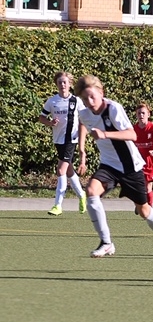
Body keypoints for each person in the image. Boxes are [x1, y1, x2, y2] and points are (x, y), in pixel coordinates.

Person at [75, 75, 153, 265]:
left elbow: (132, 134)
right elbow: (83, 122)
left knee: (144, 210)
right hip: (108, 165)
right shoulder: (85, 112)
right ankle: (106, 242)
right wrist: (82, 150)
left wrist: (105, 134)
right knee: (90, 191)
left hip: (131, 167)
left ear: (101, 93)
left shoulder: (113, 109)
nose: (89, 102)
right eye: (85, 98)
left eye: (92, 97)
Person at [39, 71, 87, 216]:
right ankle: (82, 195)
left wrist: (82, 145)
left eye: (65, 82)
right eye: (60, 82)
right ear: (56, 84)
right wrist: (50, 122)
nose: (62, 85)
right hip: (58, 140)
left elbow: (84, 120)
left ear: (70, 84)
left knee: (61, 170)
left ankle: (58, 205)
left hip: (71, 140)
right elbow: (41, 117)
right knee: (69, 170)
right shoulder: (52, 101)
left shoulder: (76, 101)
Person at [133, 102, 153, 208]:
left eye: (143, 113)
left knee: (148, 187)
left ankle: (149, 209)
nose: (141, 115)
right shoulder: (134, 129)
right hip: (138, 163)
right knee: (138, 186)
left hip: (150, 163)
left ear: (148, 114)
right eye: (139, 113)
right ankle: (141, 205)